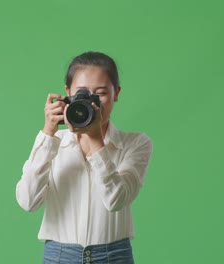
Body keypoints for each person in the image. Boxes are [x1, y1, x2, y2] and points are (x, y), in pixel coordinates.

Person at [16, 51, 153, 264]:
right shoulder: (52, 142)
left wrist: (96, 140)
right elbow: (28, 201)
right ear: (67, 93)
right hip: (59, 257)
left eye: (100, 93)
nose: (92, 103)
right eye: (82, 94)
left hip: (114, 257)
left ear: (116, 93)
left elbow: (116, 200)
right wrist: (47, 134)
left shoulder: (135, 143)